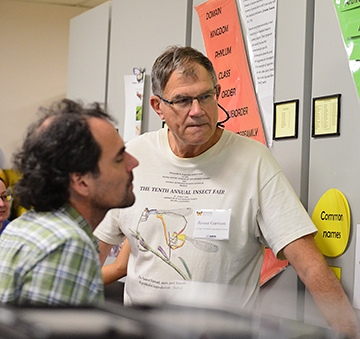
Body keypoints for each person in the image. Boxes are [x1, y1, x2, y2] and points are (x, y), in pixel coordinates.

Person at [94, 46, 359, 338]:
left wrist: (349, 332)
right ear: (158, 106)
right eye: (182, 100)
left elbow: (309, 264)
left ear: (217, 92)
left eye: (205, 96)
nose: (197, 111)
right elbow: (93, 254)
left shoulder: (253, 161)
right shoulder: (134, 157)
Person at [0, 99, 138, 306]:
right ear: (81, 180)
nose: (133, 162)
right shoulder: (67, 244)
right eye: (119, 158)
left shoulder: (22, 226)